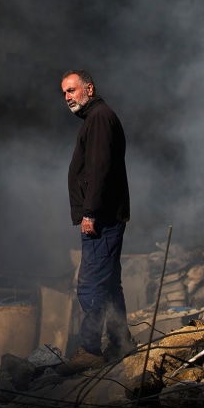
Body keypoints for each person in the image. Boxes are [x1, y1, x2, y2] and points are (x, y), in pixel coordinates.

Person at [58, 70, 134, 373]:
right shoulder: (97, 117)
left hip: (101, 217)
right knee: (109, 282)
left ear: (89, 88)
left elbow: (99, 168)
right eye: (65, 93)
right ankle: (120, 343)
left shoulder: (100, 118)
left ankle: (90, 349)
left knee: (91, 284)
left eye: (72, 90)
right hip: (105, 214)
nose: (67, 97)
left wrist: (89, 212)